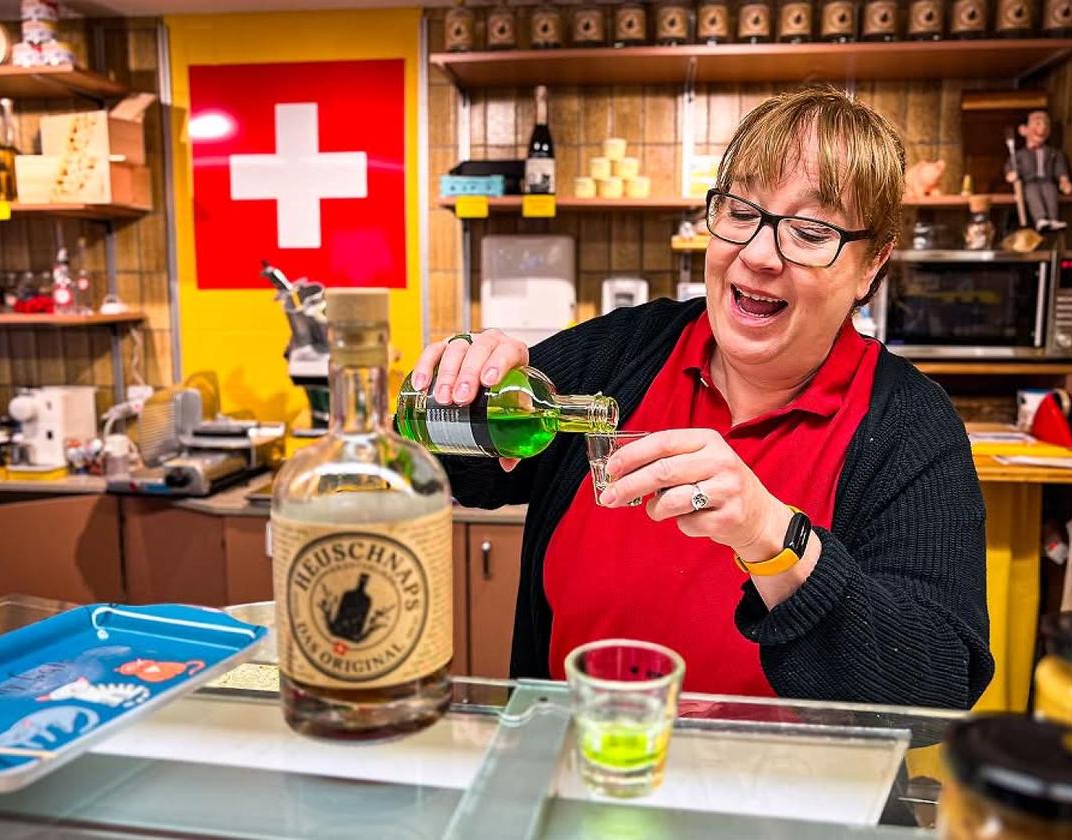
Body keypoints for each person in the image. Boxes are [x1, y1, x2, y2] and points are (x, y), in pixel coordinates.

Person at [411, 86, 994, 709]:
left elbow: (937, 690)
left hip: (785, 797)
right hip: (582, 773)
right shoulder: (622, 354)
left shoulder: (908, 426)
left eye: (809, 230)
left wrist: (773, 537)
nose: (759, 254)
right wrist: (459, 384)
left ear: (872, 265)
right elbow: (452, 469)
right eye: (742, 213)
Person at [1004, 109, 1072, 232]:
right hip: (1030, 183)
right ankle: (1040, 218)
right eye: (1037, 123)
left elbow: (1060, 169)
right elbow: (1011, 167)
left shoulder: (1053, 153)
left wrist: (1064, 181)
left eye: (1046, 124)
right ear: (1023, 130)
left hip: (1047, 181)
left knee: (1050, 191)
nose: (1043, 127)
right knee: (1032, 193)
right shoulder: (1019, 155)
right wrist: (1011, 174)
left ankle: (1053, 218)